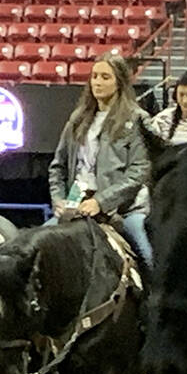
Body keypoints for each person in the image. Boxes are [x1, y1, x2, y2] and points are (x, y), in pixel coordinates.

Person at [46, 52, 152, 265]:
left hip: (124, 210)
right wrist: (59, 201)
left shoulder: (138, 120)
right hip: (76, 206)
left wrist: (101, 202)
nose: (98, 82)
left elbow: (139, 171)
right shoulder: (77, 120)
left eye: (105, 77)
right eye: (95, 76)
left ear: (119, 82)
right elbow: (57, 167)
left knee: (147, 256)